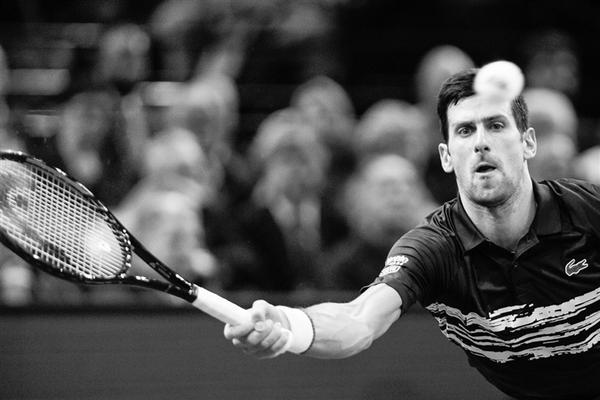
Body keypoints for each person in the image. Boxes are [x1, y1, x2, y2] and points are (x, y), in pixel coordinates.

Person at [223, 68, 600, 400]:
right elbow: (358, 320)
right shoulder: (434, 248)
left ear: (528, 142)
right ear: (446, 156)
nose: (481, 142)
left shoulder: (587, 211)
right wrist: (291, 325)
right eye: (465, 130)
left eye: (496, 126)